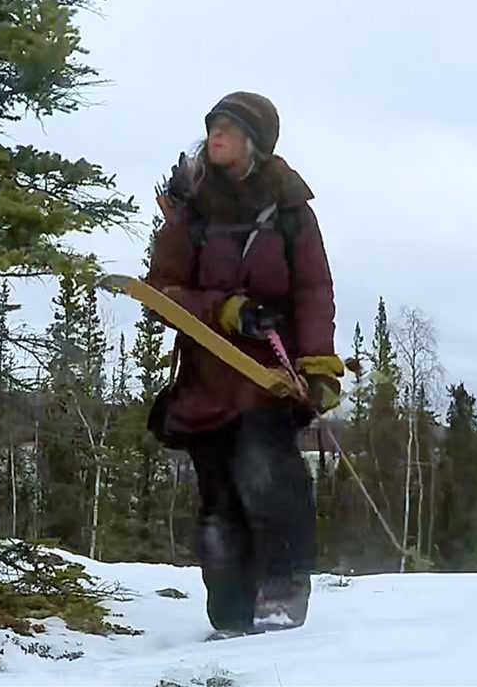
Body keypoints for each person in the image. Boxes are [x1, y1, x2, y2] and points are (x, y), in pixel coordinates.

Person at [145, 91, 344, 638]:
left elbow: (312, 290)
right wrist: (223, 309)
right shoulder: (191, 211)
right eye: (213, 124)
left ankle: (281, 594)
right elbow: (162, 292)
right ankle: (229, 615)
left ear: (254, 140)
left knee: (266, 475)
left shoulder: (289, 210)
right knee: (219, 497)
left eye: (230, 126)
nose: (217, 134)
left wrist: (319, 365)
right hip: (206, 377)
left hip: (268, 378)